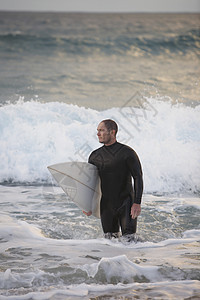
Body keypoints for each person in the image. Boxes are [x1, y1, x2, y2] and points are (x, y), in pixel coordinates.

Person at [83, 119, 143, 241]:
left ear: (112, 132)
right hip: (106, 206)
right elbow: (92, 183)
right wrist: (88, 204)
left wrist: (137, 203)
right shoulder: (94, 156)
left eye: (101, 130)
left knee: (130, 241)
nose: (98, 134)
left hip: (126, 203)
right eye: (97, 131)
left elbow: (138, 177)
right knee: (110, 242)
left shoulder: (127, 153)